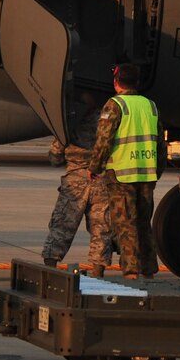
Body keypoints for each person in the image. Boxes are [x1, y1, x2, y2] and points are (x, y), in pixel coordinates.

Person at [82, 63, 161, 278]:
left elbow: (104, 140)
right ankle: (149, 272)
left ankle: (131, 272)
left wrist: (95, 166)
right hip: (146, 173)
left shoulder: (115, 105)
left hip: (122, 174)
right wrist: (157, 170)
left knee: (125, 224)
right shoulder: (150, 106)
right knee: (144, 223)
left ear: (116, 82)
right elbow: (159, 144)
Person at [41, 87, 112, 269]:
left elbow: (55, 157)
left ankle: (50, 265)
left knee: (62, 226)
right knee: (101, 229)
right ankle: (98, 271)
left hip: (75, 181)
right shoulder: (106, 122)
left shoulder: (69, 124)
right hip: (101, 180)